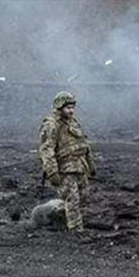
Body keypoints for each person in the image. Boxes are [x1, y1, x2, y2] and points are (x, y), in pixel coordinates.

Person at [38, 91, 95, 233]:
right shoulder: (51, 125)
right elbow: (47, 150)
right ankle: (76, 231)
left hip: (79, 166)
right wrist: (52, 172)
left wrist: (90, 165)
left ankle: (57, 214)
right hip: (65, 169)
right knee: (72, 199)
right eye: (68, 108)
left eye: (72, 107)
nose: (71, 111)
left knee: (84, 196)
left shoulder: (73, 122)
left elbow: (84, 144)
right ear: (59, 107)